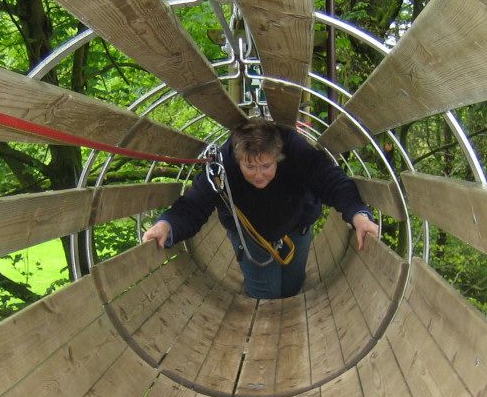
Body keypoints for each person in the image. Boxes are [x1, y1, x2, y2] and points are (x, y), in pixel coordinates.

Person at [143, 118, 381, 299]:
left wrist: (358, 214)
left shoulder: (294, 150)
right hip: (250, 234)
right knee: (266, 295)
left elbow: (330, 180)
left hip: (295, 225)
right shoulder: (224, 163)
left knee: (290, 288)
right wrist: (167, 225)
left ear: (277, 156)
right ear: (239, 159)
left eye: (266, 166)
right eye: (250, 167)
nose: (259, 175)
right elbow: (195, 203)